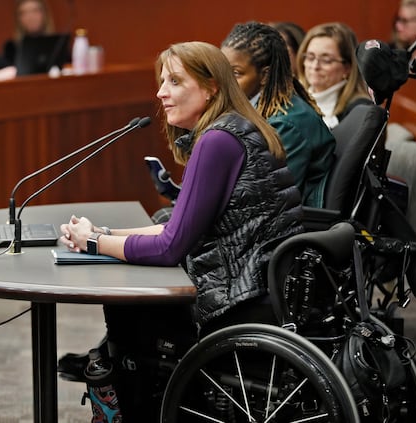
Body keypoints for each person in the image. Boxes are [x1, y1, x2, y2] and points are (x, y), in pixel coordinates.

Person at [59, 41, 304, 421]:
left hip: (239, 293)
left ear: (211, 88)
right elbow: (176, 225)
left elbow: (171, 247)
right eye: (162, 81)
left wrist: (94, 242)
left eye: (174, 81)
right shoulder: (234, 129)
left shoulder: (219, 141)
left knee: (129, 305)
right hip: (253, 279)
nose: (161, 92)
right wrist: (105, 233)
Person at [221, 21, 335, 208]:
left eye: (236, 73)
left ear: (265, 75)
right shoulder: (256, 111)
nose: (226, 82)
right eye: (223, 72)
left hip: (292, 228)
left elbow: (268, 199)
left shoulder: (286, 123)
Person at [296, 22, 372, 129]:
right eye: (310, 57)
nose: (315, 66)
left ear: (347, 68)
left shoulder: (361, 111)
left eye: (326, 60)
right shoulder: (294, 100)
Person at [2, 0, 55, 66]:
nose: (30, 17)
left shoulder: (58, 44)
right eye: (24, 13)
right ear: (18, 19)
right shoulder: (11, 48)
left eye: (35, 11)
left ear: (45, 14)